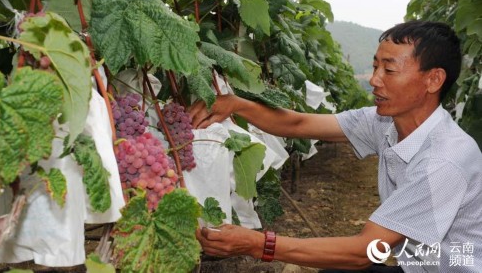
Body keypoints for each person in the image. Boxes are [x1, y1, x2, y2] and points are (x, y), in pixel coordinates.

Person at [189, 21, 482, 272]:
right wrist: (237, 104)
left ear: (434, 79)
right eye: (375, 66)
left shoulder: (444, 161)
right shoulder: (385, 123)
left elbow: (364, 250)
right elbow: (299, 125)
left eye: (389, 71)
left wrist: (257, 244)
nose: (374, 80)